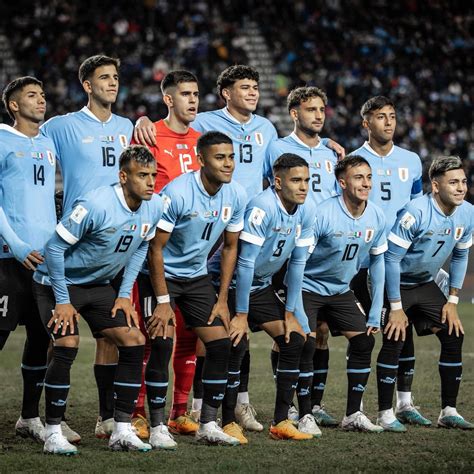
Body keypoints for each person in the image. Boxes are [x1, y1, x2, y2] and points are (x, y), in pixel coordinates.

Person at [32, 145, 163, 454]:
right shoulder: (95, 204)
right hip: (56, 283)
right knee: (67, 343)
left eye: (153, 175)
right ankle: (52, 432)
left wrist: (123, 295)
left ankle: (121, 429)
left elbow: (142, 246)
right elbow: (53, 249)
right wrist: (63, 301)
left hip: (99, 286)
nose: (150, 182)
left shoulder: (155, 205)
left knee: (133, 339)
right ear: (123, 176)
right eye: (142, 175)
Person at [312, 95, 425, 426]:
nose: (388, 122)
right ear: (366, 123)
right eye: (380, 117)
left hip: (399, 258)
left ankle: (403, 403)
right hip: (361, 262)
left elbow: (416, 207)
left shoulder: (412, 160)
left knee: (402, 329)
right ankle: (345, 407)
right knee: (365, 332)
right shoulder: (353, 160)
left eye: (392, 116)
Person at [41, 55, 134, 440]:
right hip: (73, 243)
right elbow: (27, 141)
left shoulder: (128, 126)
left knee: (110, 336)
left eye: (115, 77)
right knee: (60, 335)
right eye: (104, 78)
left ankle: (106, 417)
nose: (112, 83)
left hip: (112, 248)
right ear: (87, 85)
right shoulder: (61, 126)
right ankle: (49, 417)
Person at [144, 131, 247, 446]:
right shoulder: (176, 193)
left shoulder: (236, 195)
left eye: (231, 156)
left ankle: (208, 424)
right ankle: (159, 426)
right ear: (201, 160)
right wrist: (163, 301)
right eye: (220, 157)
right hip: (159, 275)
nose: (228, 164)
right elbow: (154, 249)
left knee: (219, 345)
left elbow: (230, 248)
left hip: (197, 277)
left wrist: (223, 299)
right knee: (162, 344)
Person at [377, 155, 473, 431]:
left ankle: (449, 411)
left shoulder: (468, 212)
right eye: (453, 182)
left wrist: (452, 301)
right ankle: (385, 413)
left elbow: (460, 255)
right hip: (393, 282)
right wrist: (395, 307)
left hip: (424, 283)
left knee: (454, 334)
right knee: (395, 336)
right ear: (435, 185)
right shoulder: (415, 212)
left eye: (463, 182)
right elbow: (391, 260)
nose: (460, 188)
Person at [131, 70, 202, 437]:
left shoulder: (202, 139)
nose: (193, 100)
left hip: (192, 256)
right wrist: (141, 119)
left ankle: (179, 410)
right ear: (169, 99)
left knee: (189, 334)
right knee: (153, 334)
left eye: (196, 94)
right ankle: (139, 412)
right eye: (185, 94)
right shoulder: (148, 133)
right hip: (154, 253)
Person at [228, 153, 317, 441]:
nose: (303, 186)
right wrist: (240, 315)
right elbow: (244, 263)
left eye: (306, 180)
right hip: (231, 286)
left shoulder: (305, 209)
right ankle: (228, 419)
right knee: (235, 345)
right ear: (278, 182)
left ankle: (280, 421)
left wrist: (291, 312)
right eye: (296, 180)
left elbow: (298, 264)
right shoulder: (262, 207)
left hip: (262, 287)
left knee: (295, 340)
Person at [264, 86, 339, 426]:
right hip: (292, 249)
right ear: (295, 114)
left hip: (326, 253)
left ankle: (315, 403)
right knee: (291, 329)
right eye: (311, 109)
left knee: (320, 329)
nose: (319, 115)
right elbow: (270, 190)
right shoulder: (277, 147)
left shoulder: (331, 152)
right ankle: (291, 404)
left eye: (322, 109)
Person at [297, 155, 386, 432]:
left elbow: (379, 262)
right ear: (342, 182)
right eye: (359, 177)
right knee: (305, 344)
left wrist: (376, 309)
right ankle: (303, 413)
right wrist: (293, 304)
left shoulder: (377, 215)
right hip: (307, 286)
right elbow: (298, 261)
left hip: (339, 290)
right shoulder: (322, 213)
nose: (366, 183)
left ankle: (353, 414)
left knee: (363, 342)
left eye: (369, 177)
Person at [0, 77, 57, 442]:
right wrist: (16, 245)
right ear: (15, 106)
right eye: (32, 96)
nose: (41, 100)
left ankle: (28, 417)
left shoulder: (49, 142)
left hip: (44, 262)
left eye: (43, 94)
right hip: (6, 260)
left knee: (40, 337)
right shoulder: (2, 139)